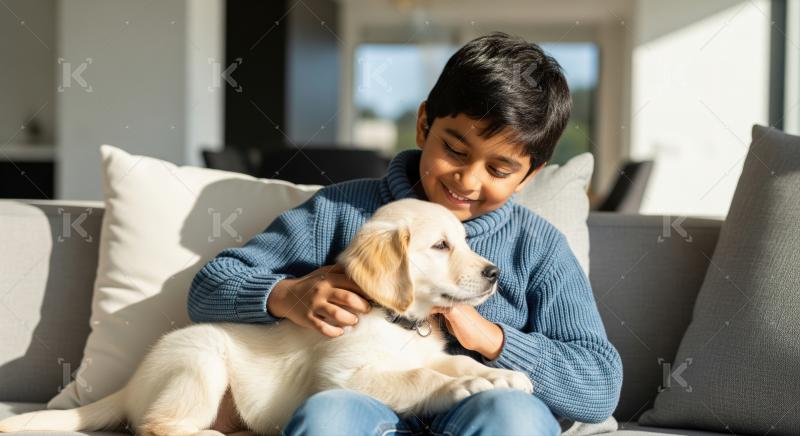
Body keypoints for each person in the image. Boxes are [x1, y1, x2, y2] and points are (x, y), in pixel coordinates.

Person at [188, 31, 622, 436]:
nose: (468, 181)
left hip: (476, 409)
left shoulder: (537, 246)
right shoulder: (341, 212)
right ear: (423, 125)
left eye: (499, 169)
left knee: (514, 414)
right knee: (329, 415)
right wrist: (287, 295)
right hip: (366, 402)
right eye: (454, 149)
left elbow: (599, 385)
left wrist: (491, 338)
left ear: (529, 175)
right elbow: (208, 287)